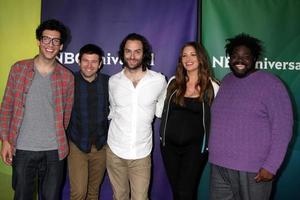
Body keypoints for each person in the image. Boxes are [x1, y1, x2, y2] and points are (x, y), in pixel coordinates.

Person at [208, 33, 293, 200]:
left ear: (254, 58)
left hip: (253, 169)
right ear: (229, 59)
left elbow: (283, 128)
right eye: (235, 56)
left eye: (245, 56)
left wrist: (271, 165)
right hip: (220, 166)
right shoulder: (227, 80)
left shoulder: (271, 84)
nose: (239, 60)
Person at [0, 19, 74, 199]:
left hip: (54, 153)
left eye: (55, 41)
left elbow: (67, 115)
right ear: (39, 41)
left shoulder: (67, 77)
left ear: (61, 45)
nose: (50, 44)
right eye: (46, 39)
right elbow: (7, 107)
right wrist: (5, 140)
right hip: (23, 150)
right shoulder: (19, 69)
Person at [107, 33, 167, 200]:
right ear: (122, 53)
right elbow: (113, 110)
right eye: (128, 51)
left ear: (144, 54)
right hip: (115, 150)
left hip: (141, 152)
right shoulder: (113, 81)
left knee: (140, 198)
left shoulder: (159, 80)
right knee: (119, 196)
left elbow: (160, 110)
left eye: (137, 51)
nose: (132, 56)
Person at [159, 42, 219, 200]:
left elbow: (219, 120)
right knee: (177, 192)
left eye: (193, 54)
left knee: (186, 192)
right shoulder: (174, 82)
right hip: (169, 148)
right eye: (184, 55)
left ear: (201, 58)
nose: (188, 59)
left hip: (195, 150)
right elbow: (162, 111)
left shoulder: (212, 86)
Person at [67, 44, 109, 200]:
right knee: (78, 192)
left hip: (101, 145)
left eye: (93, 61)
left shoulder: (108, 83)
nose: (89, 65)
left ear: (100, 64)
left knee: (93, 192)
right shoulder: (69, 81)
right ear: (79, 62)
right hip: (77, 144)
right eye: (85, 60)